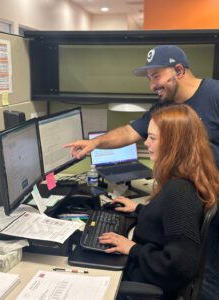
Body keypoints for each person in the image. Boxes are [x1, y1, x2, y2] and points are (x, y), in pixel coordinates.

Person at [65, 45, 219, 299]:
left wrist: (132, 248)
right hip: (194, 200)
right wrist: (94, 143)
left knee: (205, 277)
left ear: (178, 71)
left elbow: (180, 264)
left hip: (200, 198)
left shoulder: (214, 94)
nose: (152, 85)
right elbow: (130, 132)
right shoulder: (164, 109)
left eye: (156, 76)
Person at [98, 104, 219, 300]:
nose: (146, 143)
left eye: (152, 138)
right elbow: (170, 220)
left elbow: (181, 265)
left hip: (145, 286)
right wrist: (138, 208)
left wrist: (132, 248)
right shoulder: (187, 178)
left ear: (174, 144)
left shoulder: (180, 191)